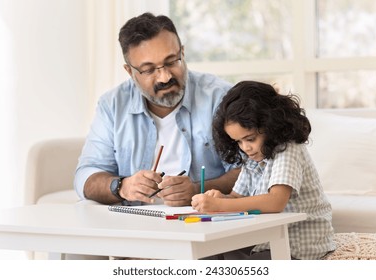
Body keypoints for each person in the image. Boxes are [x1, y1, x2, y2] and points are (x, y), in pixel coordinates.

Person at [74, 12, 239, 207]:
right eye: (149, 70)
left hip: (204, 222)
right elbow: (85, 177)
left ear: (183, 53)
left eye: (171, 62)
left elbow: (252, 170)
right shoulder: (112, 105)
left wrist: (197, 189)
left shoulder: (221, 97)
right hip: (137, 226)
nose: (164, 77)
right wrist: (122, 186)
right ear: (130, 71)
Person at [191, 81, 335, 260]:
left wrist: (220, 206)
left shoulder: (288, 149)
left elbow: (276, 202)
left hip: (298, 245)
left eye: (249, 139)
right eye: (238, 142)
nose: (245, 147)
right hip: (265, 240)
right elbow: (236, 198)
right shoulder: (252, 156)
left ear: (270, 125)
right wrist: (220, 198)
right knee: (207, 254)